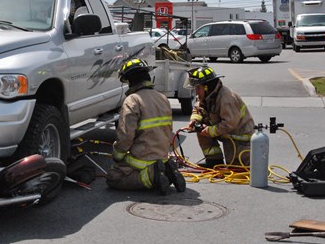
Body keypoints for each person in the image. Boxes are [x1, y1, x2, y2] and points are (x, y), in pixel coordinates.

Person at [106, 58, 185, 194]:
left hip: (143, 159)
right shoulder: (162, 98)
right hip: (162, 156)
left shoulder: (132, 100)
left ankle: (150, 177)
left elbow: (125, 136)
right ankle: (166, 170)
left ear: (131, 80)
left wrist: (117, 155)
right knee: (150, 165)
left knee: (114, 177)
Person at [185, 66, 255, 167]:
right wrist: (194, 120)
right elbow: (198, 108)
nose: (196, 92)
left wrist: (209, 131)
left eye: (198, 88)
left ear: (206, 87)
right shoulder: (207, 95)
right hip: (226, 134)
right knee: (200, 129)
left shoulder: (226, 98)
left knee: (238, 169)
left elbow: (229, 124)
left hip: (240, 139)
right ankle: (213, 161)